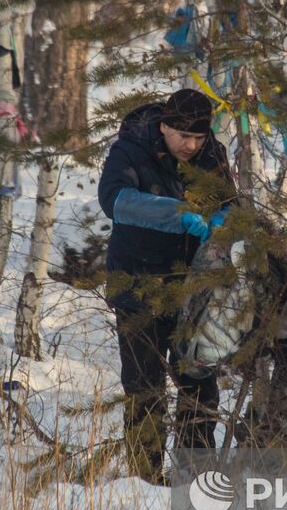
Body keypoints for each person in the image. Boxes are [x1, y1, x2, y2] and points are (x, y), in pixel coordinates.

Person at [98, 88, 236, 483]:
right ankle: (145, 478)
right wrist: (177, 213)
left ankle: (195, 475)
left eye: (198, 137)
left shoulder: (213, 153)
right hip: (138, 283)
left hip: (193, 288)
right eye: (182, 137)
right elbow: (115, 200)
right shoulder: (131, 149)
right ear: (163, 126)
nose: (191, 146)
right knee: (145, 386)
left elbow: (230, 199)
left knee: (199, 384)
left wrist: (227, 218)